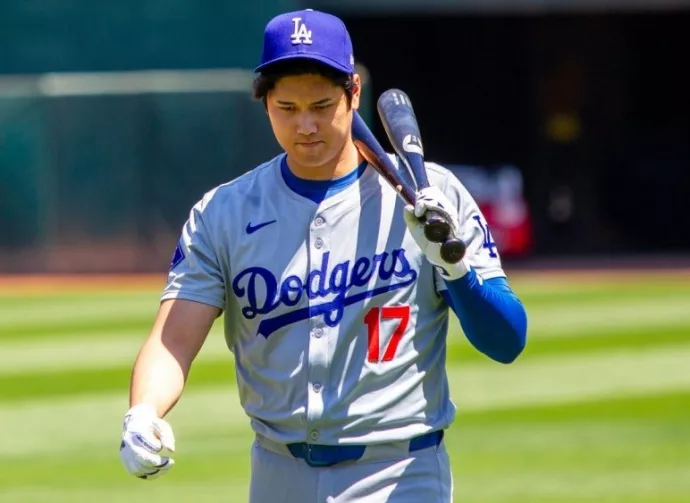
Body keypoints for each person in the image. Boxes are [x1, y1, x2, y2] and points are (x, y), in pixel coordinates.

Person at [118, 8, 528, 503]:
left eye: (322, 104)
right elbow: (172, 340)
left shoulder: (431, 195)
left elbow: (507, 340)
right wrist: (143, 410)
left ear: (354, 92)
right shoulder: (223, 211)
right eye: (286, 107)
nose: (306, 125)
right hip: (277, 474)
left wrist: (454, 267)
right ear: (264, 102)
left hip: (401, 473)